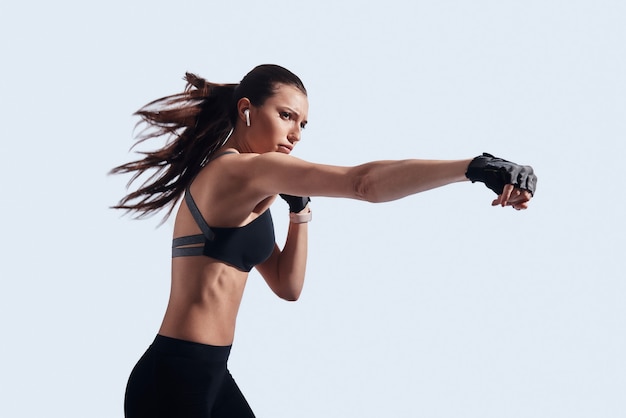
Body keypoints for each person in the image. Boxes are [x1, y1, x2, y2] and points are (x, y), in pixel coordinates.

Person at [110, 64, 536, 418]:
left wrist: (300, 212)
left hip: (212, 376)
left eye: (303, 123)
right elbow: (362, 183)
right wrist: (473, 167)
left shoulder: (254, 182)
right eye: (286, 115)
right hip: (173, 380)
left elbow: (287, 286)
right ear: (247, 111)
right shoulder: (238, 171)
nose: (296, 133)